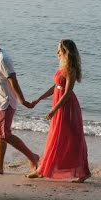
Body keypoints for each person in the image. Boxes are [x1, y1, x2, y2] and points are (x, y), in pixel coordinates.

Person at [27, 39, 91, 182]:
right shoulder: (62, 67)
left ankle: (83, 172)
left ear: (66, 52)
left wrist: (53, 109)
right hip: (58, 105)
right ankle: (42, 170)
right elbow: (55, 87)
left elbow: (67, 93)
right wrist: (39, 98)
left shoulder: (71, 70)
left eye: (59, 50)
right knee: (56, 137)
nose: (57, 53)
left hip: (66, 107)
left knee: (71, 138)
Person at [0, 31, 39, 174]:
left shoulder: (3, 58)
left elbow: (13, 79)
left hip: (5, 102)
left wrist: (22, 100)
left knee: (4, 134)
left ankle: (33, 157)